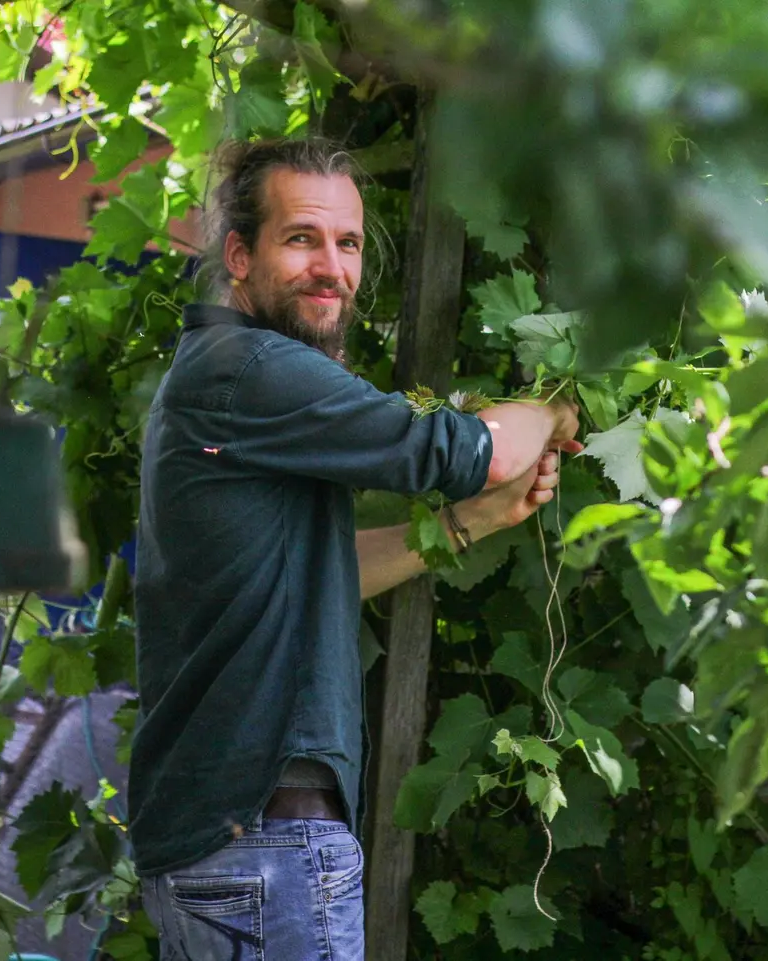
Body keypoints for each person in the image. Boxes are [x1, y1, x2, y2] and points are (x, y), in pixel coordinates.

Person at [128, 138, 581, 960]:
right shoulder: (250, 367)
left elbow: (315, 579)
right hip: (270, 843)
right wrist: (551, 408)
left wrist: (464, 526)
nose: (331, 267)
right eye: (302, 237)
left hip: (227, 845)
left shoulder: (221, 381)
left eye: (349, 243)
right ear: (239, 254)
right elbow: (461, 450)